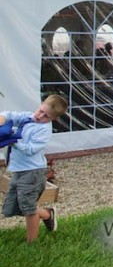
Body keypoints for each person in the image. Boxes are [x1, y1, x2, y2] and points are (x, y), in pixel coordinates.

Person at [1, 95, 69, 242]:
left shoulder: (43, 130)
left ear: (53, 119)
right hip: (18, 170)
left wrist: (12, 140)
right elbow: (11, 115)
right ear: (40, 105)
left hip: (33, 172)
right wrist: (3, 118)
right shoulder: (28, 117)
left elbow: (30, 149)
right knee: (13, 207)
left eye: (46, 116)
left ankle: (31, 242)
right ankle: (47, 214)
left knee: (28, 207)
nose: (40, 116)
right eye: (41, 111)